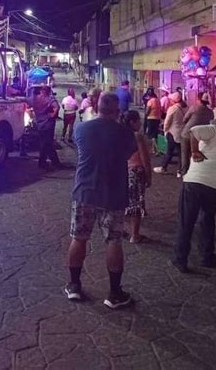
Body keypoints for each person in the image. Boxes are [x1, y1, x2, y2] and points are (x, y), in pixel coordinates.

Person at [66, 92, 137, 308]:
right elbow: (128, 156)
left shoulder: (81, 129)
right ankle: (114, 293)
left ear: (97, 107)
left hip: (85, 192)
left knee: (79, 238)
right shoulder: (125, 134)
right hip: (113, 194)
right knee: (113, 241)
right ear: (117, 111)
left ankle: (74, 285)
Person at [171, 105, 216, 273]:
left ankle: (180, 259)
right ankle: (207, 256)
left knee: (186, 223)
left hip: (195, 183)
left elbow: (193, 131)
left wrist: (194, 152)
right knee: (207, 219)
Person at [124, 110, 152, 243]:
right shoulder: (137, 136)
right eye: (138, 121)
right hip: (136, 171)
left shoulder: (119, 134)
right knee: (135, 203)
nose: (141, 123)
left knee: (123, 202)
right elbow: (144, 157)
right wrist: (149, 175)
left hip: (122, 171)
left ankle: (121, 229)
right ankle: (135, 235)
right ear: (132, 122)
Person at [179, 92, 214, 179]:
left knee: (184, 154)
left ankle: (184, 173)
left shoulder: (194, 107)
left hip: (187, 134)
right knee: (194, 154)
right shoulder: (210, 112)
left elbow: (184, 120)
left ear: (199, 100)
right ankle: (193, 173)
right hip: (198, 137)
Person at [154, 92, 186, 174]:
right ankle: (180, 170)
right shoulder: (186, 107)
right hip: (183, 133)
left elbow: (167, 122)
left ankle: (163, 167)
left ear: (173, 100)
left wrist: (165, 131)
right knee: (181, 153)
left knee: (169, 151)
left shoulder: (172, 109)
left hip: (173, 133)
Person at [32, 86, 61, 169]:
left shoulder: (35, 99)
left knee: (45, 143)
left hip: (39, 124)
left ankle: (52, 162)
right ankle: (46, 163)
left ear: (41, 91)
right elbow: (57, 107)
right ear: (48, 92)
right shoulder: (50, 99)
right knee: (46, 143)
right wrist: (53, 114)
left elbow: (25, 100)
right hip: (48, 124)